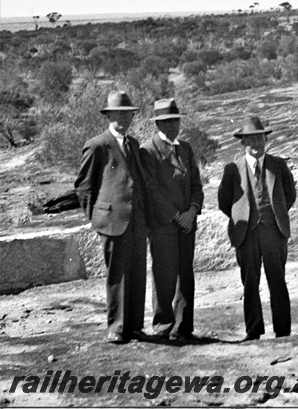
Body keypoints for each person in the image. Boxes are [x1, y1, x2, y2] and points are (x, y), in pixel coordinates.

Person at [74, 90, 149, 344]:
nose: (123, 119)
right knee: (117, 274)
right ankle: (116, 327)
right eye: (118, 113)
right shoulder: (97, 145)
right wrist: (97, 215)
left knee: (137, 272)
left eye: (127, 114)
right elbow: (84, 186)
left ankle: (135, 326)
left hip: (137, 220)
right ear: (108, 115)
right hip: (112, 221)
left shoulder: (134, 144)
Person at [218, 117, 296, 340]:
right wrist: (242, 217)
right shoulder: (232, 169)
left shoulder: (278, 165)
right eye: (250, 139)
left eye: (260, 137)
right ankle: (253, 331)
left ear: (266, 139)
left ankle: (283, 330)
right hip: (246, 234)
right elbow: (224, 201)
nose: (256, 143)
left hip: (274, 232)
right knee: (250, 283)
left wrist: (276, 216)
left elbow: (289, 195)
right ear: (242, 143)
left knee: (277, 280)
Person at [140, 98, 204, 341]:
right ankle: (163, 326)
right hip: (164, 225)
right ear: (157, 123)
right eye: (166, 122)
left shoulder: (186, 149)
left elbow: (197, 185)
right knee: (164, 274)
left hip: (187, 225)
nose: (172, 126)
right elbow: (152, 191)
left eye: (175, 121)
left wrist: (192, 211)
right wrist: (177, 216)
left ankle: (183, 327)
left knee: (185, 274)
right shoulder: (148, 150)